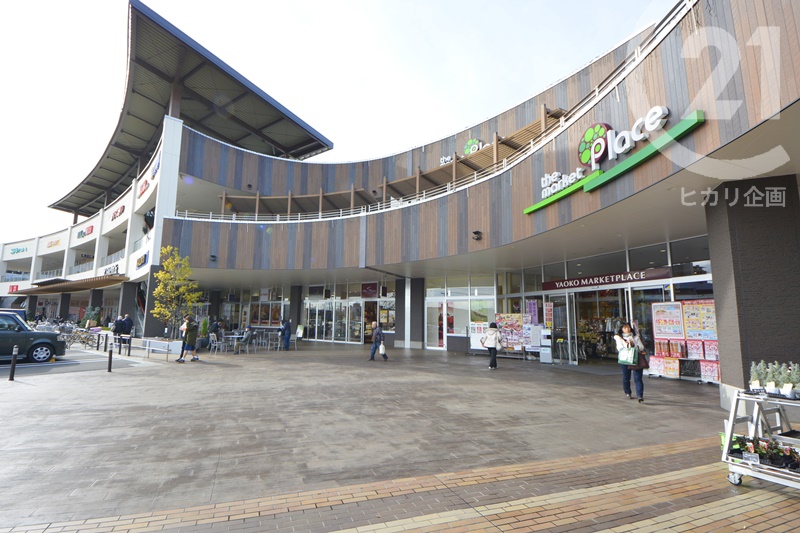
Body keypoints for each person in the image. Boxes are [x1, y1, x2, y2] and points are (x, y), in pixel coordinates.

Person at [615, 322, 646, 403]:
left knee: (638, 378)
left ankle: (640, 395)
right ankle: (628, 392)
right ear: (622, 329)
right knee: (626, 377)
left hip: (636, 359)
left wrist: (635, 345)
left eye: (628, 327)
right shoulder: (619, 338)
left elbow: (641, 347)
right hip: (625, 359)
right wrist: (627, 345)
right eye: (625, 328)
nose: (627, 329)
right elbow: (619, 348)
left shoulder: (635, 337)